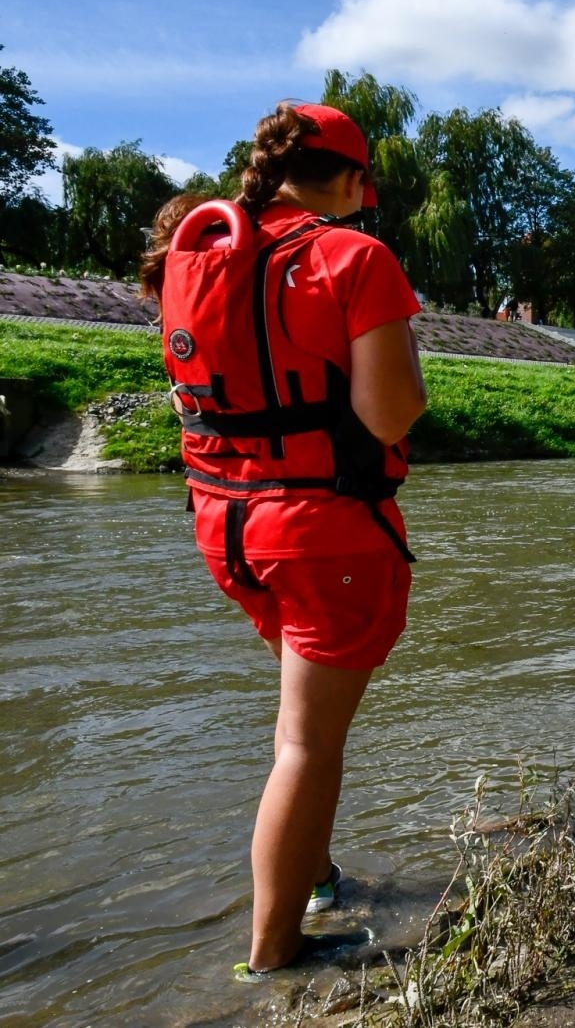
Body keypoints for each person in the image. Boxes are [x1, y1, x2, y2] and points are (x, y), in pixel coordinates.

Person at [140, 101, 427, 979]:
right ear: (348, 179)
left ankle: (316, 870)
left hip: (226, 526)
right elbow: (390, 414)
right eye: (362, 185)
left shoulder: (198, 250)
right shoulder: (355, 256)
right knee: (307, 744)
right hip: (322, 533)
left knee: (298, 722)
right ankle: (276, 949)